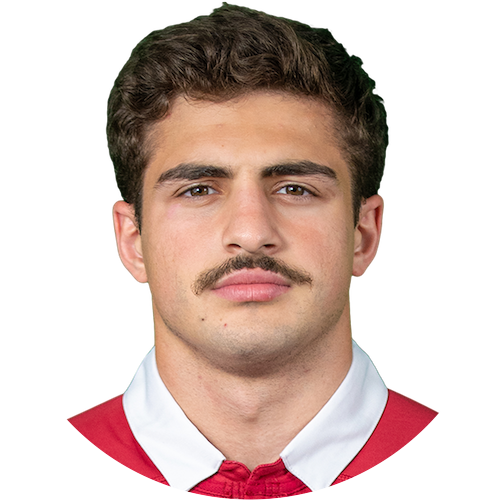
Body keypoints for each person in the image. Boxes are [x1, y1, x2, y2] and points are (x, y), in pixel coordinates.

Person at [66, 3, 442, 499]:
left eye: (295, 189)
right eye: (199, 190)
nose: (250, 232)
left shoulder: (480, 472)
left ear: (365, 233)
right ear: (131, 240)